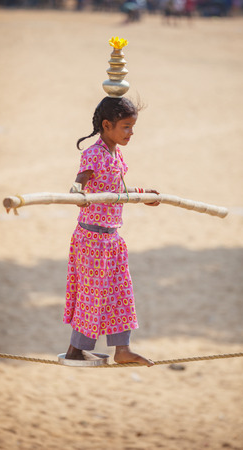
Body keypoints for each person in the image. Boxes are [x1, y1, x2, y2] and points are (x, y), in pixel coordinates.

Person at [63, 96, 160, 367]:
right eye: (126, 127)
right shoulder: (93, 154)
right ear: (107, 125)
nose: (131, 133)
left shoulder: (115, 154)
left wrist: (143, 195)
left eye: (132, 127)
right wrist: (78, 190)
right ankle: (76, 349)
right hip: (92, 239)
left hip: (111, 239)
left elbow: (118, 192)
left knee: (121, 293)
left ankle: (122, 349)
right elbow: (83, 177)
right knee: (92, 295)